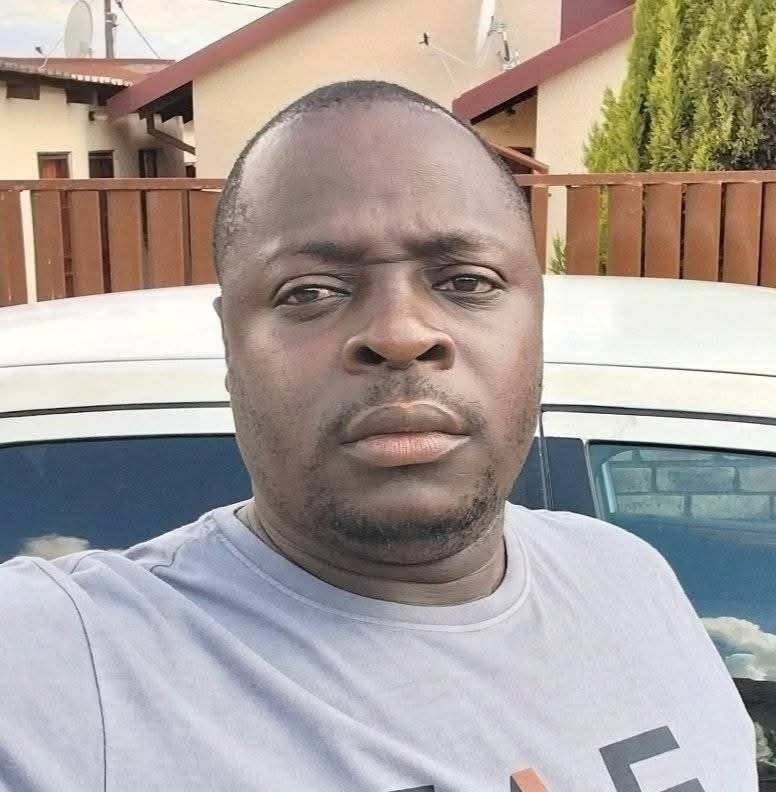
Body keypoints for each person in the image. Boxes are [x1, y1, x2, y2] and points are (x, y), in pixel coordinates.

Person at [0, 81, 755, 792]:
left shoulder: (626, 576)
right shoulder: (73, 660)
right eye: (310, 291)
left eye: (467, 281)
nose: (399, 334)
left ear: (536, 323)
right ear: (230, 346)